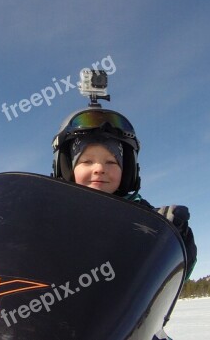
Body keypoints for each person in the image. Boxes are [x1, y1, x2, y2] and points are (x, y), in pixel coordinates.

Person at [52, 107, 197, 279]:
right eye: (87, 161)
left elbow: (170, 278)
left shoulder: (144, 218)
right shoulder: (53, 213)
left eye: (111, 162)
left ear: (127, 171)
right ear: (67, 168)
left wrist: (174, 238)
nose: (99, 169)